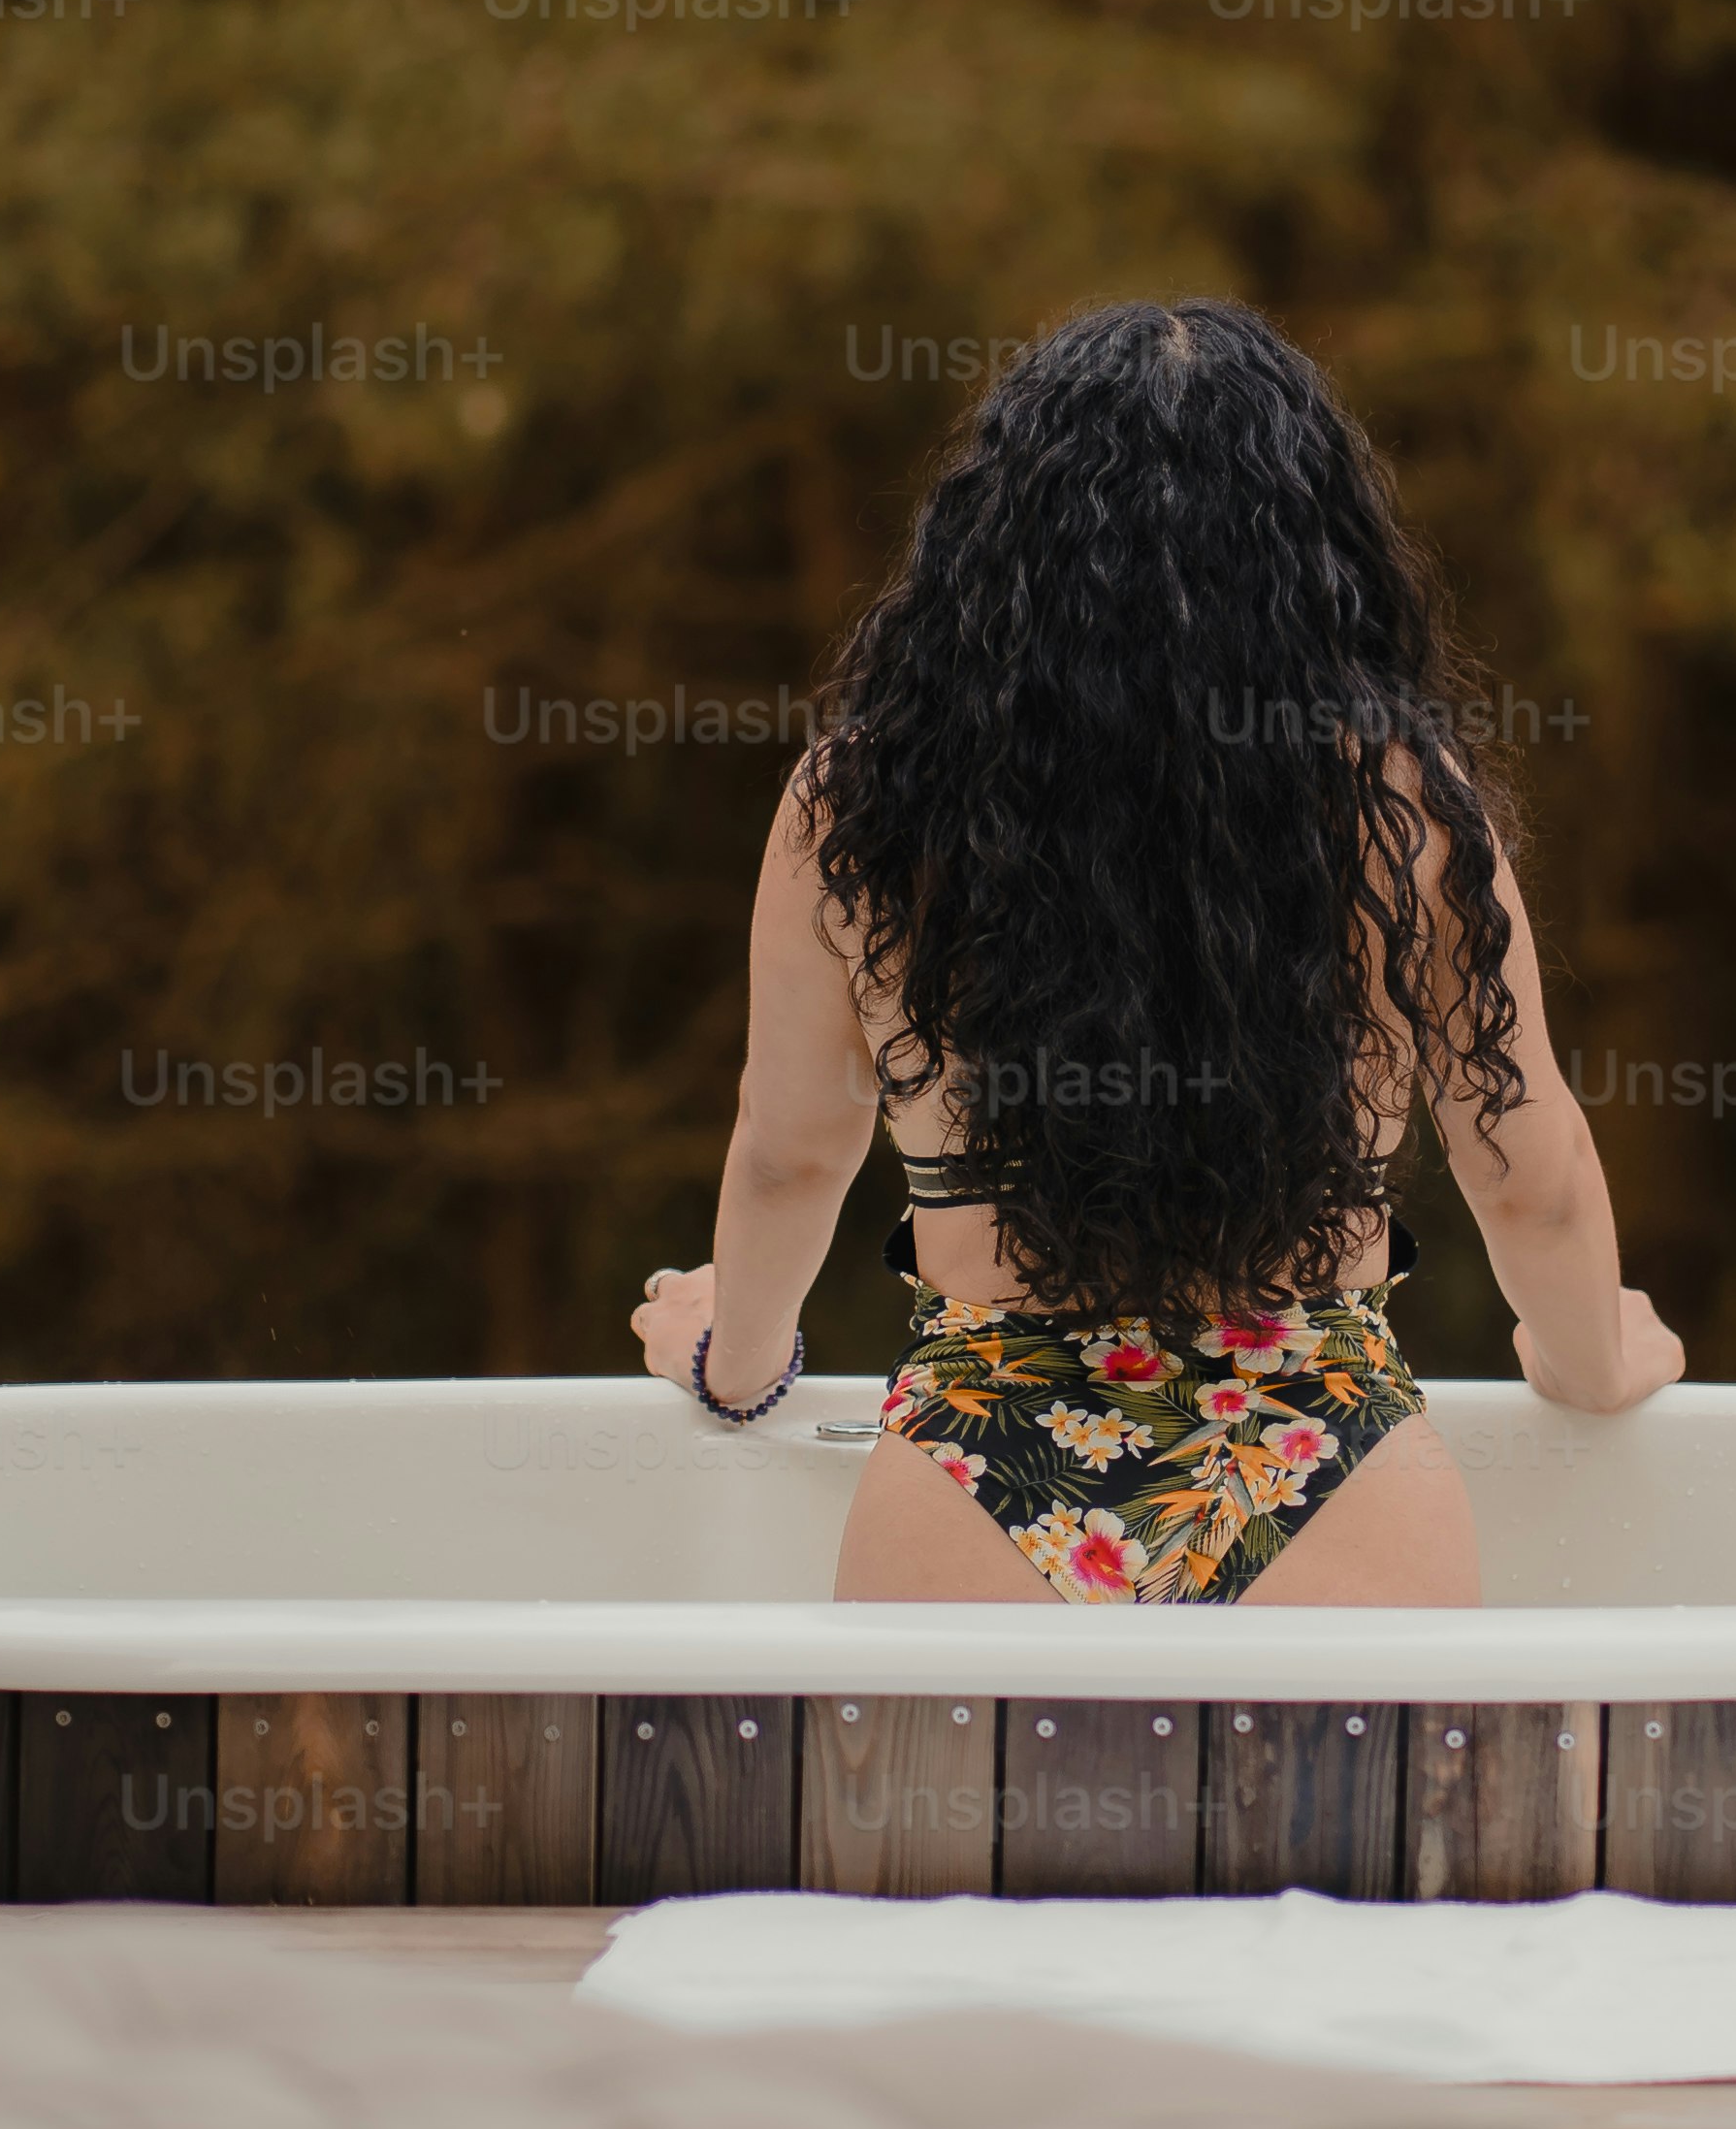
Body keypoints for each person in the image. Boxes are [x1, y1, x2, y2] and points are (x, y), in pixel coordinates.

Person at [630, 298, 1682, 1603]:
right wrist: (1593, 1361)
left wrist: (733, 1359)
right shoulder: (1400, 800)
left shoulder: (863, 800)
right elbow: (1524, 1170)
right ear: (1313, 550)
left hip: (978, 1450)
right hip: (1332, 1455)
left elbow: (793, 1149)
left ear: (994, 537)